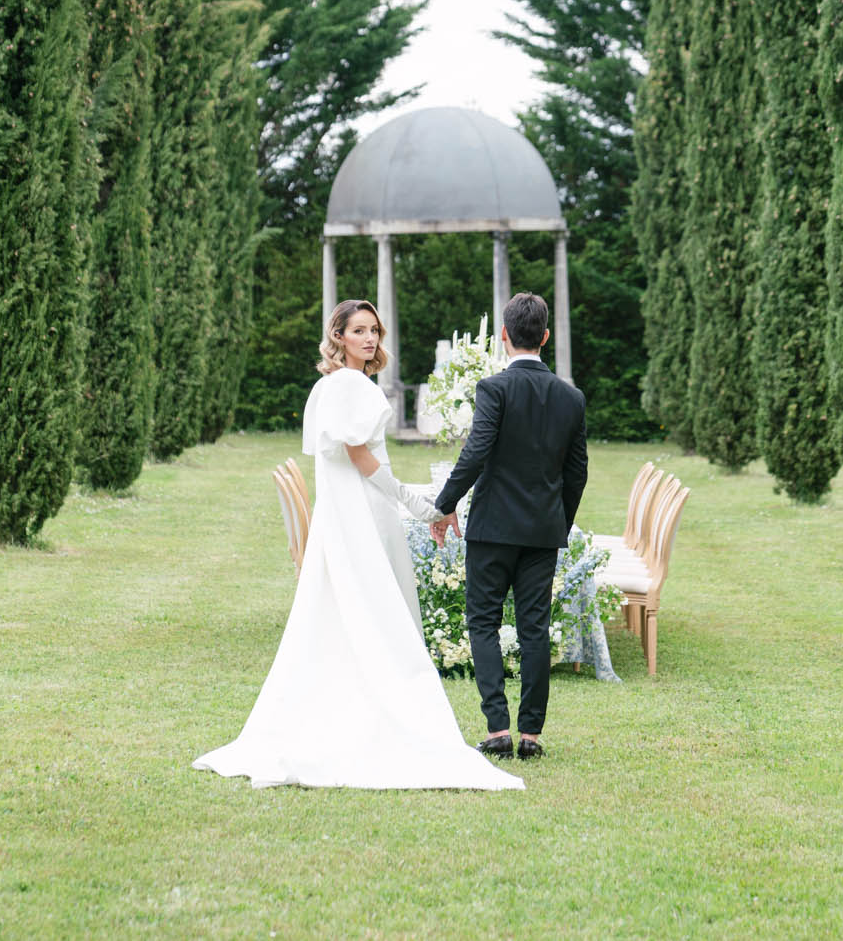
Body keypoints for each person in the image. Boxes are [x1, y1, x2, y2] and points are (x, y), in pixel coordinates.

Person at [193, 300, 523, 790]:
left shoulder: (334, 385)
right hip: (361, 514)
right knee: (376, 610)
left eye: (374, 330)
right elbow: (360, 457)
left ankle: (352, 705)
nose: (370, 339)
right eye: (359, 331)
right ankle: (378, 713)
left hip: (347, 512)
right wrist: (417, 503)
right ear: (339, 338)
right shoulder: (348, 384)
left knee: (347, 610)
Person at [432, 291, 588, 761]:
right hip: (542, 531)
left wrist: (444, 505)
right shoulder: (571, 397)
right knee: (534, 628)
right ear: (544, 337)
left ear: (504, 336)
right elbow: (577, 473)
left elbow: (475, 453)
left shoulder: (494, 389)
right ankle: (531, 736)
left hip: (492, 529)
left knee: (482, 622)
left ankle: (497, 728)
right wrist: (558, 522)